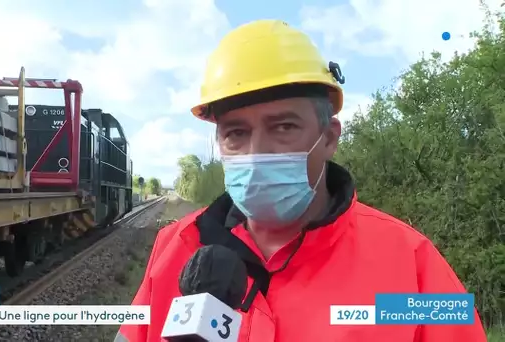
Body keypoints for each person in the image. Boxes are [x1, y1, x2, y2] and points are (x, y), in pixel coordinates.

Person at [115, 19, 488, 342]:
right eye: (236, 133)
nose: (255, 152)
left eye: (284, 127)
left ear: (328, 137)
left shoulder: (413, 267)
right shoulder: (176, 247)